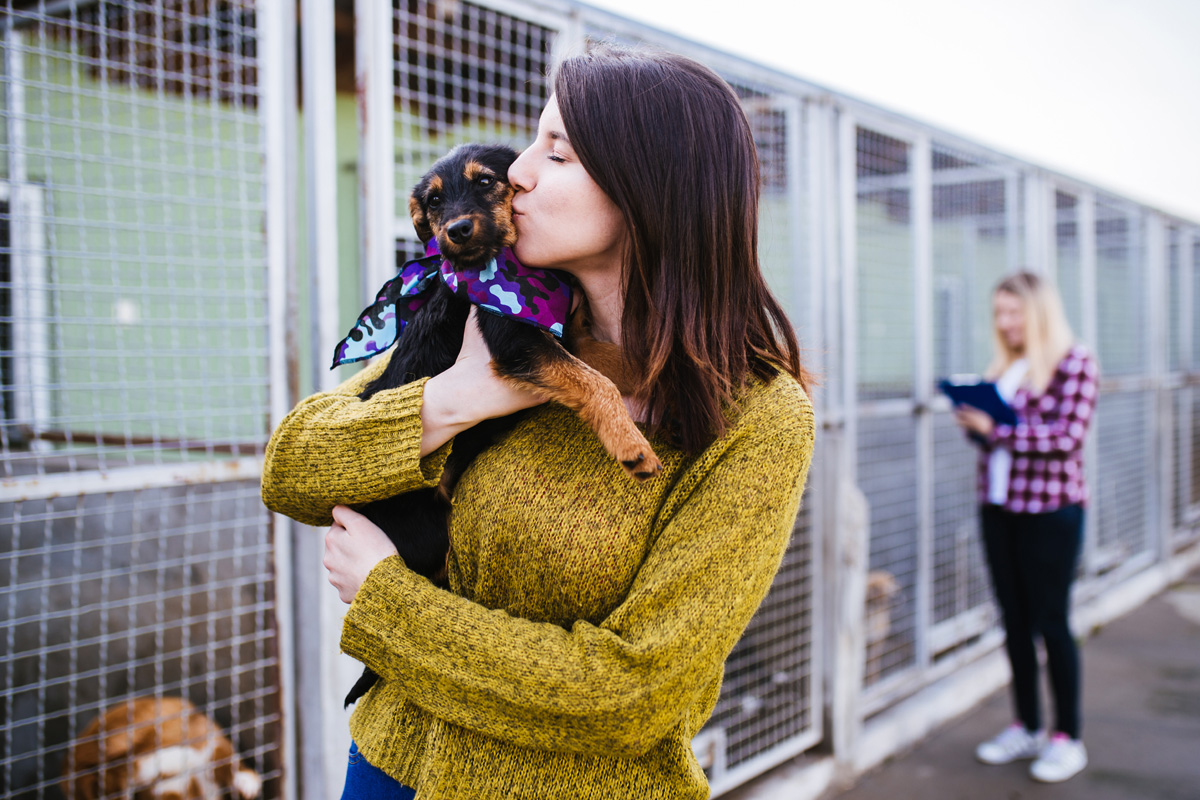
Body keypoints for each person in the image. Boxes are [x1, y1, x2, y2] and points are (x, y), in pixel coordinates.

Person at [261, 43, 816, 800]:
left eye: (556, 153)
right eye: (532, 141)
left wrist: (389, 600)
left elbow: (634, 693)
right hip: (390, 765)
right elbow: (290, 470)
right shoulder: (497, 320)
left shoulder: (759, 418)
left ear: (649, 190)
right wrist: (458, 398)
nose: (517, 171)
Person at [953, 270, 1098, 784]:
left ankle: (1068, 738)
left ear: (1037, 312)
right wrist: (977, 426)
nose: (1005, 322)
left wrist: (1000, 429)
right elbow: (999, 443)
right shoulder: (1006, 364)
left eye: (1013, 312)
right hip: (999, 508)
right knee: (1013, 622)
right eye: (999, 312)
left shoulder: (1074, 361)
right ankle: (1029, 726)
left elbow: (1067, 437)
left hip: (1050, 512)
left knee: (1051, 623)